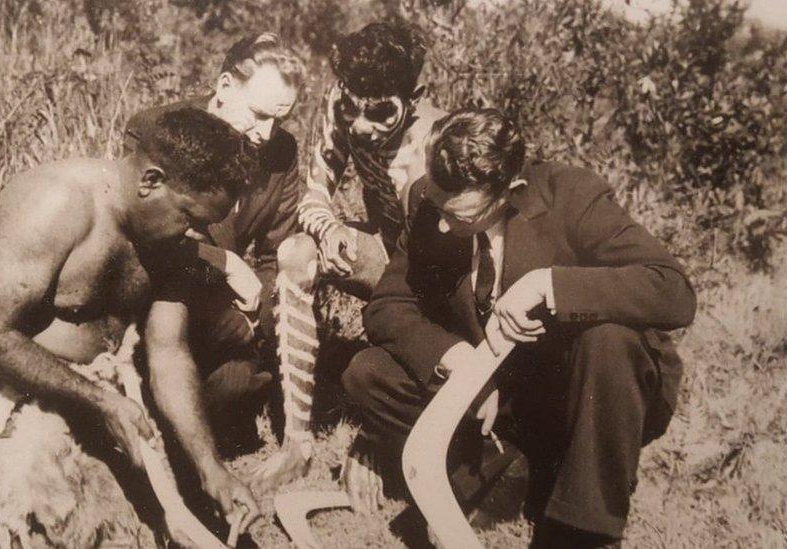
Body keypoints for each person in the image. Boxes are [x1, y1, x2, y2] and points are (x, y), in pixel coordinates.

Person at [0, 107, 260, 547]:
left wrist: (211, 468)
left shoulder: (170, 238)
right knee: (45, 518)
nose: (199, 239)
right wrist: (102, 402)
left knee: (137, 526)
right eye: (191, 219)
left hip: (78, 385)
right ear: (151, 182)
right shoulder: (56, 202)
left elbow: (168, 354)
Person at [341, 108, 697, 547]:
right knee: (369, 372)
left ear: (508, 191)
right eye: (437, 204)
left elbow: (674, 290)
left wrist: (549, 285)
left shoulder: (572, 196)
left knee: (611, 340)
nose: (442, 224)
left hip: (583, 395)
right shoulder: (431, 202)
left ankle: (583, 529)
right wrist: (459, 361)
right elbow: (389, 305)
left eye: (461, 215)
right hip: (504, 395)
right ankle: (502, 468)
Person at [123, 32, 310, 488]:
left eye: (280, 118)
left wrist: (254, 317)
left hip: (225, 309)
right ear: (225, 87)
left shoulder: (280, 151)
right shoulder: (157, 129)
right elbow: (136, 233)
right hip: (163, 289)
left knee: (234, 385)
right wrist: (222, 262)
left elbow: (274, 254)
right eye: (259, 114)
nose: (267, 133)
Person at [270, 19, 447, 485]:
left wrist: (373, 438)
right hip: (386, 250)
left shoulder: (432, 139)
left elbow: (440, 285)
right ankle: (296, 440)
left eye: (380, 113)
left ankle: (387, 428)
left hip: (429, 280)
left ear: (416, 96)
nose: (361, 126)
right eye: (352, 107)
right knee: (295, 254)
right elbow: (315, 191)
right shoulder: (341, 104)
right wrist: (328, 229)